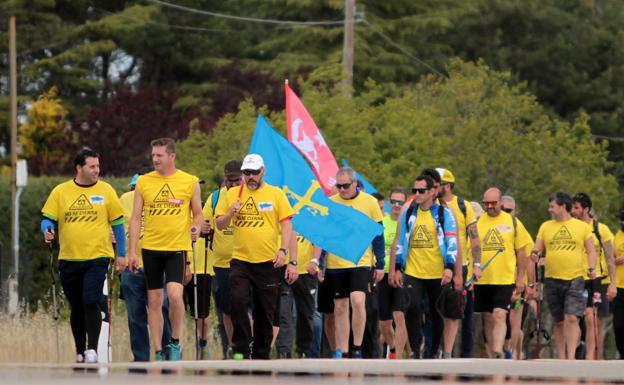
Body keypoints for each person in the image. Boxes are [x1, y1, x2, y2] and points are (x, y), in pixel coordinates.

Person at [41, 148, 125, 363]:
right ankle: (79, 351)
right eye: (92, 166)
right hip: (69, 258)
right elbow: (48, 218)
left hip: (97, 257)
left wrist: (121, 255)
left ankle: (92, 350)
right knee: (77, 305)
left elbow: (118, 224)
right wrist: (47, 230)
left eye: (98, 166)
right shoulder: (61, 191)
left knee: (90, 300)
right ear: (79, 168)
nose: (97, 170)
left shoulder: (106, 191)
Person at [128, 138, 203, 361]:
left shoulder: (190, 181)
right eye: (153, 155)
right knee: (154, 300)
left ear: (172, 156)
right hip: (150, 248)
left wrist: (196, 228)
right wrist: (132, 251)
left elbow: (198, 213)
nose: (155, 159)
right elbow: (135, 218)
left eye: (159, 155)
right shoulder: (144, 182)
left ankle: (176, 342)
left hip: (177, 248)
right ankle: (159, 350)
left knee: (175, 295)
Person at [215, 153, 295, 359]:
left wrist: (283, 251)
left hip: (268, 261)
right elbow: (220, 224)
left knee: (265, 310)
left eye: (254, 172)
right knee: (237, 301)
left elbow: (287, 224)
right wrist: (231, 212)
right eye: (246, 173)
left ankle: (261, 353)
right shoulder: (231, 194)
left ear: (263, 171)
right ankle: (241, 347)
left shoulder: (276, 194)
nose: (250, 176)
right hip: (241, 260)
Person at [389, 174, 459, 359]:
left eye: (421, 191)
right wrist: (396, 267)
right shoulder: (409, 213)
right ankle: (414, 349)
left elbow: (453, 242)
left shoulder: (444, 214)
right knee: (411, 308)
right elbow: (400, 242)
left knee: (436, 313)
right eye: (415, 191)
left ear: (432, 192)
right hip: (413, 271)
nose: (417, 194)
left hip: (437, 272)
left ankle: (433, 350)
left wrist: (450, 268)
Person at [323, 167, 385, 359]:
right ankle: (343, 350)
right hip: (336, 263)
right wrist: (319, 262)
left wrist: (380, 264)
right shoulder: (331, 203)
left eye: (346, 186)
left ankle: (357, 347)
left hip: (360, 260)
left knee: (358, 302)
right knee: (340, 307)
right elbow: (324, 236)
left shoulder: (370, 202)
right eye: (338, 186)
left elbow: (378, 234)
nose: (341, 190)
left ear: (355, 183)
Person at [531, 192, 597, 360]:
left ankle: (571, 356)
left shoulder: (581, 227)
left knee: (572, 317)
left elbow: (591, 250)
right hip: (552, 278)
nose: (549, 209)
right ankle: (561, 357)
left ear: (562, 206)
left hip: (575, 277)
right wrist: (535, 253)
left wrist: (592, 267)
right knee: (558, 320)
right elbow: (537, 247)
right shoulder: (546, 226)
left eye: (552, 206)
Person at [118, 170, 172, 361]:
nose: (136, 191)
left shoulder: (159, 198)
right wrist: (119, 255)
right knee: (137, 315)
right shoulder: (124, 199)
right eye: (134, 188)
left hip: (157, 263)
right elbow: (115, 226)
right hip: (133, 267)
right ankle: (142, 357)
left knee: (160, 311)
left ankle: (164, 354)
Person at [473, 188, 530, 358]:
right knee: (488, 317)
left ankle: (498, 350)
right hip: (483, 279)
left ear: (500, 203)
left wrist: (520, 279)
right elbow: (473, 249)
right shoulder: (477, 223)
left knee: (500, 313)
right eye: (486, 204)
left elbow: (522, 253)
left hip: (504, 278)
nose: (490, 207)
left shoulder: (512, 222)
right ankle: (491, 353)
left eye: (493, 203)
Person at [436, 168, 481, 358]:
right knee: (431, 311)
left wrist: (476, 266)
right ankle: (433, 348)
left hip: (458, 266)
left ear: (446, 185)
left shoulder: (462, 206)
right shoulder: (429, 204)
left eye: (437, 184)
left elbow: (475, 239)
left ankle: (448, 352)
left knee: (454, 312)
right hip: (432, 265)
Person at [202, 160, 242, 358]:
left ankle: (248, 345)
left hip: (247, 260)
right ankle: (235, 348)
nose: (232, 185)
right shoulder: (217, 197)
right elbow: (204, 221)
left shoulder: (251, 196)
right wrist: (203, 227)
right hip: (221, 262)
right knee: (227, 309)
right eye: (229, 180)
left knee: (244, 307)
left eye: (236, 180)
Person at [571, 192, 617, 360]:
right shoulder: (570, 228)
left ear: (586, 209)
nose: (573, 211)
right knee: (576, 317)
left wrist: (613, 283)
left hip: (598, 280)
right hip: (576, 279)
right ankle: (575, 352)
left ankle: (592, 358)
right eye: (572, 207)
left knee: (595, 320)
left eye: (576, 207)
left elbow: (611, 258)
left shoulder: (600, 229)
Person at [500, 195, 536, 360]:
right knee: (500, 318)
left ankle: (512, 355)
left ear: (515, 211)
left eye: (509, 210)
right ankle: (503, 350)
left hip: (518, 284)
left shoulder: (518, 227)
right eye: (503, 210)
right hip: (500, 281)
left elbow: (529, 260)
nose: (505, 213)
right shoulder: (494, 226)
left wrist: (531, 285)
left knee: (515, 318)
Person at [378, 187, 409, 359]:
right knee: (383, 322)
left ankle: (397, 356)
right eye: (394, 201)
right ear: (389, 203)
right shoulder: (381, 222)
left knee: (399, 314)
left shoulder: (407, 223)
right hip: (382, 274)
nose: (397, 205)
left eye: (400, 202)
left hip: (401, 273)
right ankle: (393, 348)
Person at [276, 232, 317, 358]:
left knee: (306, 314)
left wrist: (315, 261)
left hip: (306, 270)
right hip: (283, 267)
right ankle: (284, 351)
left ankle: (303, 350)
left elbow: (319, 236)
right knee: (283, 312)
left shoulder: (311, 212)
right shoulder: (283, 212)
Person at [612, 210, 624, 358]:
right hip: (619, 286)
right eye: (621, 220)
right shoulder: (617, 235)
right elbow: (611, 255)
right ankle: (622, 354)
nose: (622, 223)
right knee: (619, 325)